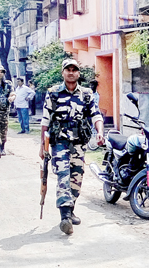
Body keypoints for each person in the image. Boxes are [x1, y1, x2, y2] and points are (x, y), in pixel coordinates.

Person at [39, 59, 104, 235]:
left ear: (78, 73)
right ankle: (65, 216)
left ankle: (71, 208)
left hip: (78, 143)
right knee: (62, 174)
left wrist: (100, 132)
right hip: (59, 142)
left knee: (76, 177)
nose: (71, 72)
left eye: (74, 70)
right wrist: (42, 147)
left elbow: (96, 115)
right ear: (63, 73)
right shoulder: (53, 93)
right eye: (68, 69)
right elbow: (45, 121)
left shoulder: (87, 93)